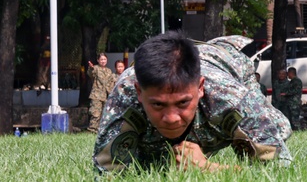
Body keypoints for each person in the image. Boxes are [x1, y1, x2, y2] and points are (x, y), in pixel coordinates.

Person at [93, 31, 291, 174]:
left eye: (182, 103)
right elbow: (106, 172)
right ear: (139, 92)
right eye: (158, 105)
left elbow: (280, 169)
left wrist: (211, 169)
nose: (171, 118)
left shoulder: (231, 97)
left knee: (278, 128)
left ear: (200, 88)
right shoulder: (124, 96)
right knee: (154, 164)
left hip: (227, 62)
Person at [87, 54, 118, 133]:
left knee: (104, 115)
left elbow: (112, 82)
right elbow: (91, 73)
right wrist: (91, 68)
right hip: (96, 95)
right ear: (98, 60)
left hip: (106, 96)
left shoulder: (109, 70)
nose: (103, 61)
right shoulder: (96, 68)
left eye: (104, 59)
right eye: (101, 59)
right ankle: (92, 130)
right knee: (95, 114)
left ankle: (101, 131)